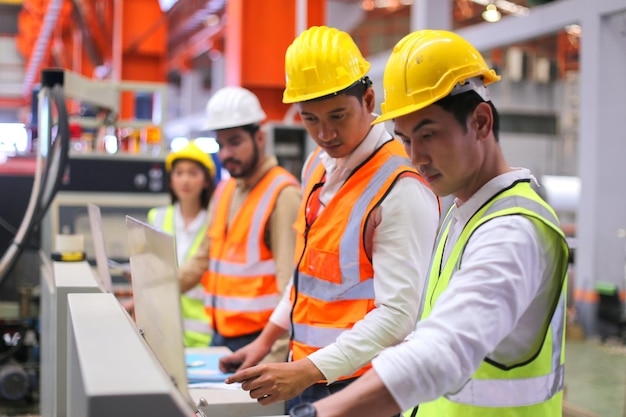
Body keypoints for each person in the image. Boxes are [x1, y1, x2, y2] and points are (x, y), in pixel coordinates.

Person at [292, 29, 570, 417]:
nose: (416, 157)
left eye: (428, 134)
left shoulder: (512, 231)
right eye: (405, 139)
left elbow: (442, 349)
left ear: (480, 122)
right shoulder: (463, 215)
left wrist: (320, 412)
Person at [219, 25, 440, 410]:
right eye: (310, 119)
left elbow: (400, 314)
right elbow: (308, 279)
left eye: (337, 115)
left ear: (368, 100)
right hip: (307, 371)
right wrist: (266, 340)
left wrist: (308, 369)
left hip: (364, 388)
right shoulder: (318, 169)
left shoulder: (401, 186)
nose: (325, 133)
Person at [178, 86, 302, 363]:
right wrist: (150, 292)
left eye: (235, 142)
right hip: (221, 335)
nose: (226, 154)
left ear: (259, 138)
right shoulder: (225, 190)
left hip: (260, 341)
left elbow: (290, 288)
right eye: (221, 145)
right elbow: (202, 260)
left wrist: (274, 359)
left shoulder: (283, 194)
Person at [148, 141, 216, 347]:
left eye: (193, 173)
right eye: (179, 173)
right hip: (163, 329)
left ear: (205, 180)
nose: (185, 180)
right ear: (171, 180)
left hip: (203, 335)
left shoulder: (215, 223)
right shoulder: (156, 218)